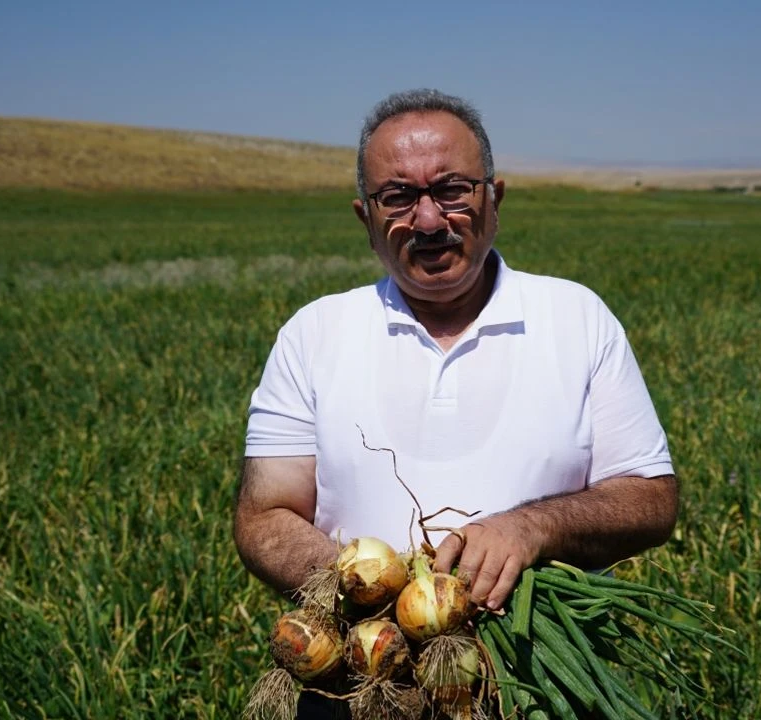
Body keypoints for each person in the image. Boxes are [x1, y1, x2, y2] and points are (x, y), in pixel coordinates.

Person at [233, 89, 679, 715]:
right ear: (366, 217)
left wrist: (532, 527)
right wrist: (370, 590)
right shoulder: (314, 334)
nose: (428, 220)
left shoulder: (577, 318)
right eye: (398, 196)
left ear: (493, 199)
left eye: (451, 190)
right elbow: (262, 518)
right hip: (362, 681)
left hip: (539, 680)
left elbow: (652, 500)